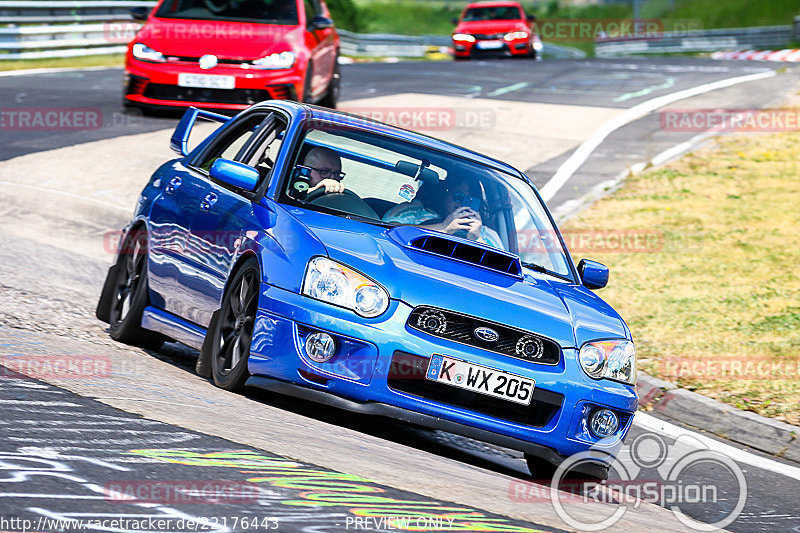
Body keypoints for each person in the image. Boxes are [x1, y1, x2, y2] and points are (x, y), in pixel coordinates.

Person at [383, 176, 503, 250]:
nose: (461, 203)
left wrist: (475, 239)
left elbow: (502, 268)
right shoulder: (412, 212)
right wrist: (443, 227)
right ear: (446, 192)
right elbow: (383, 233)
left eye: (470, 199)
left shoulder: (487, 234)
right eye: (458, 195)